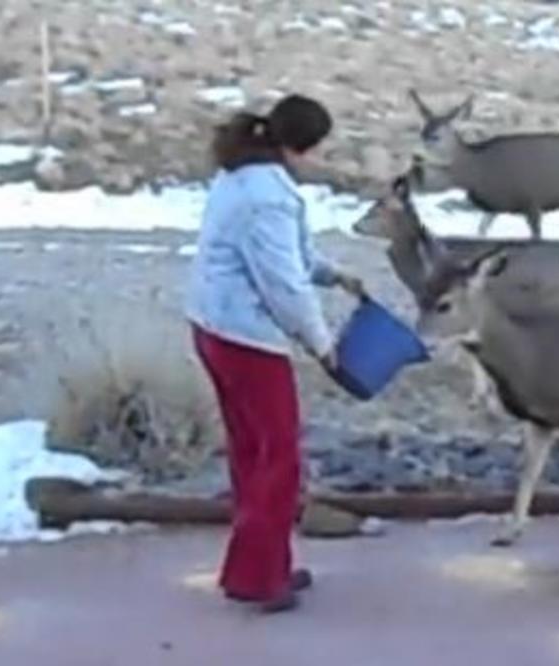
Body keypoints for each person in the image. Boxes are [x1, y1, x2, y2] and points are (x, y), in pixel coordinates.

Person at [185, 94, 363, 613]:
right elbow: (283, 284)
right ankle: (257, 578)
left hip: (212, 325)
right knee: (280, 456)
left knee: (251, 451)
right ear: (302, 146)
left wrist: (331, 274)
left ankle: (267, 563)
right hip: (246, 338)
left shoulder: (242, 174)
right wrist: (324, 347)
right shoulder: (269, 196)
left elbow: (289, 255)